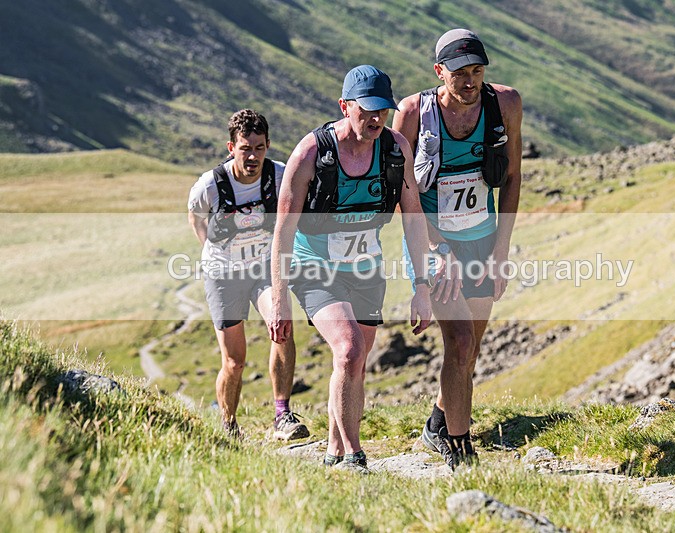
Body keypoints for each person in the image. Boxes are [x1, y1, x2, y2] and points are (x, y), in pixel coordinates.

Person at [268, 66, 433, 469]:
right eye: (367, 110)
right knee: (348, 349)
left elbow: (413, 219)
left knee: (354, 365)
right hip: (315, 266)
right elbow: (283, 232)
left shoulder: (396, 149)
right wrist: (278, 299)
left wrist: (422, 286)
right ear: (345, 106)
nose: (376, 119)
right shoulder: (311, 152)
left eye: (383, 110)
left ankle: (333, 452)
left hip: (366, 270)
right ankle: (357, 456)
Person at [393, 29, 523, 469]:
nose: (470, 84)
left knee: (470, 350)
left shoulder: (504, 104)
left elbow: (512, 178)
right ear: (438, 72)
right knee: (461, 341)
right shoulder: (413, 113)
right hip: (436, 242)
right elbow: (403, 192)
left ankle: (436, 423)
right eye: (459, 75)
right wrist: (435, 247)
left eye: (477, 72)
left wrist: (501, 249)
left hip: (483, 238)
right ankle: (460, 448)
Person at [188, 109, 309, 440]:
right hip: (223, 275)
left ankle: (282, 416)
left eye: (259, 147)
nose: (252, 156)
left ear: (268, 145)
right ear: (231, 147)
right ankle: (228, 425)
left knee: (282, 328)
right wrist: (211, 252)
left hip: (263, 270)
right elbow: (195, 216)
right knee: (234, 362)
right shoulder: (210, 185)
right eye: (245, 148)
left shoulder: (281, 175)